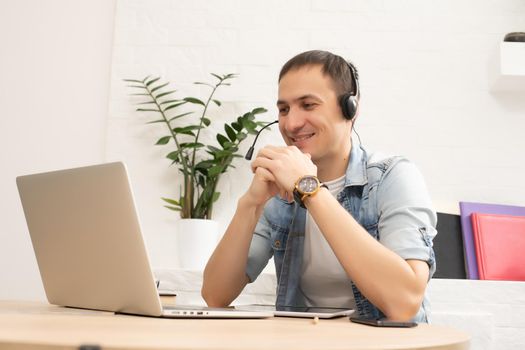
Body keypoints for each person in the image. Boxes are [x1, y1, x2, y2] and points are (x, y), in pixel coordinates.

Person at [201, 50, 437, 322]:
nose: (291, 123)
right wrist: (250, 204)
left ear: (350, 108)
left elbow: (404, 302)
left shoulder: (392, 177)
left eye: (309, 105)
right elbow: (215, 295)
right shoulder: (279, 191)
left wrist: (308, 189)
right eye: (284, 109)